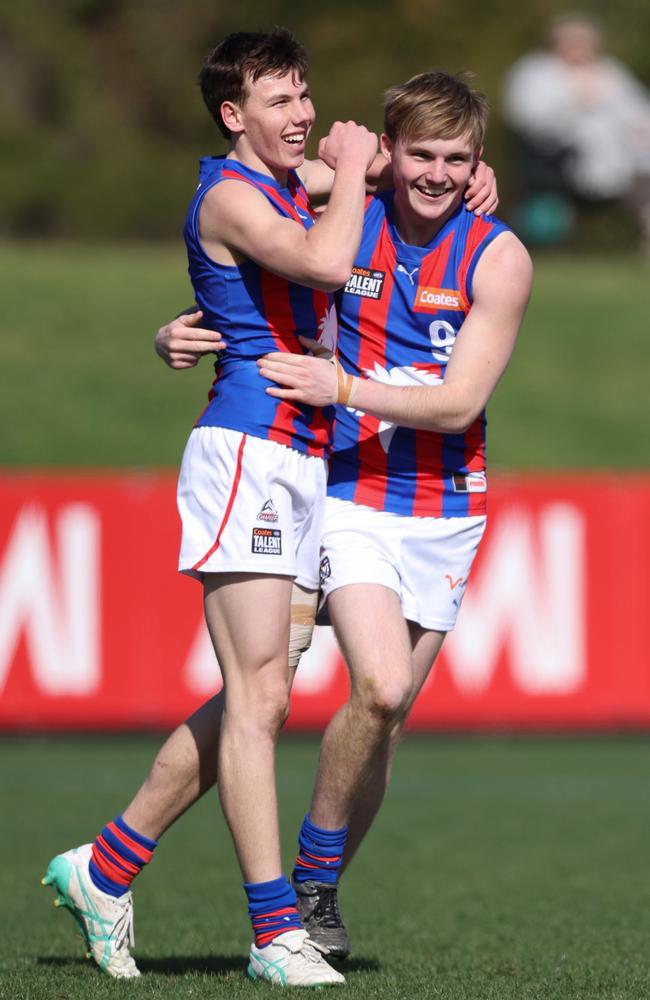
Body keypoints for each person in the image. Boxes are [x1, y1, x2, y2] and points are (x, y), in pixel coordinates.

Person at [42, 47, 499, 984]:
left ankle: (108, 866)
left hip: (305, 457)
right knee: (263, 695)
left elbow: (288, 271)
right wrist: (363, 164)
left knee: (265, 694)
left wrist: (446, 167)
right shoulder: (246, 193)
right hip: (252, 453)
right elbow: (326, 258)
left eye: (305, 96)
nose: (300, 113)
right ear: (231, 116)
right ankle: (278, 927)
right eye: (278, 99)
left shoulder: (295, 184)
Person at [155, 70, 529, 961]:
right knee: (374, 685)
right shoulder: (346, 216)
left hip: (447, 507)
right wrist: (176, 327)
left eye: (458, 158)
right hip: (347, 489)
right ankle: (311, 887)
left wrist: (343, 383)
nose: (437, 174)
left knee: (375, 722)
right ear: (388, 155)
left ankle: (118, 860)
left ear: (479, 163)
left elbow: (459, 401)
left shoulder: (498, 254)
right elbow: (246, 253)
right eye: (421, 155)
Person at [501, 12, 650, 248]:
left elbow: (638, 111)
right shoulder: (534, 73)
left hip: (617, 161)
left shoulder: (611, 72)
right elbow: (526, 117)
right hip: (555, 161)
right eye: (571, 41)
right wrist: (574, 99)